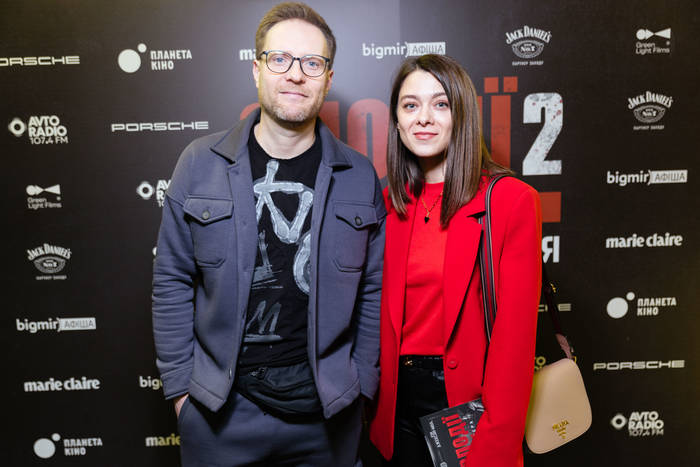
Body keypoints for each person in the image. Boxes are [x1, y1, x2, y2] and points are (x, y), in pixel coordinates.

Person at [151, 3, 386, 466]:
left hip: (327, 419)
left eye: (312, 63)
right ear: (256, 69)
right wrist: (181, 392)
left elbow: (372, 290)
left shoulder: (360, 176)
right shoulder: (199, 164)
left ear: (328, 79)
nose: (295, 74)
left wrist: (360, 385)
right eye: (280, 59)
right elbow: (172, 280)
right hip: (219, 415)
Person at [369, 54, 542, 467]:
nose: (423, 118)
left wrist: (496, 442)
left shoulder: (510, 201)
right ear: (396, 121)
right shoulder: (384, 202)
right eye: (410, 105)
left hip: (468, 407)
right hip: (393, 410)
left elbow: (514, 342)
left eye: (440, 104)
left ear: (461, 114)